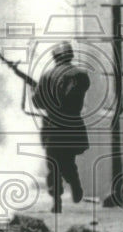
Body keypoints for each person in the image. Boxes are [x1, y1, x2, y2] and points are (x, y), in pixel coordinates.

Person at [31, 41, 90, 213]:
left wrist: (39, 92)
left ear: (55, 57)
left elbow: (37, 102)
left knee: (53, 164)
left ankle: (56, 201)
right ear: (70, 55)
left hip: (53, 125)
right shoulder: (81, 74)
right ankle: (75, 184)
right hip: (73, 124)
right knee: (68, 160)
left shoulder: (47, 76)